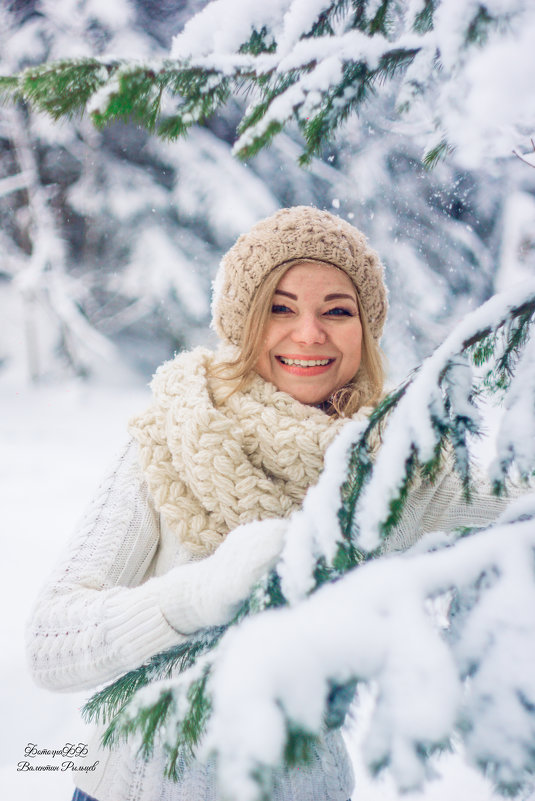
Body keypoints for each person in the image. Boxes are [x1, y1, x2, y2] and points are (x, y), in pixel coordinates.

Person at [26, 206, 510, 801]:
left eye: (337, 310)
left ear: (367, 328)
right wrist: (197, 595)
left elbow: (518, 510)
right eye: (280, 308)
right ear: (242, 322)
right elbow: (49, 645)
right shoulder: (174, 434)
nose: (309, 334)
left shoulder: (398, 468)